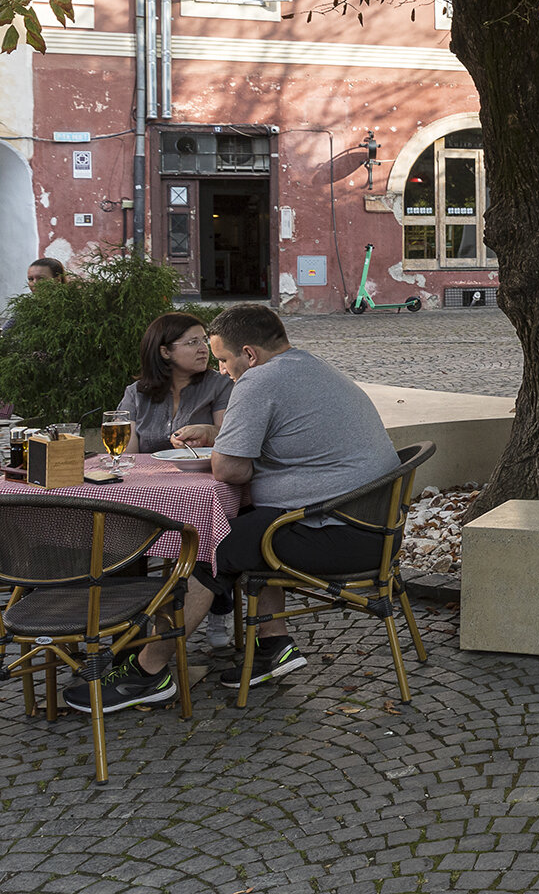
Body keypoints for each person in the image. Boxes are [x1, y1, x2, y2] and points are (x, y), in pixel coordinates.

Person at [66, 305, 400, 713]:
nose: (222, 370)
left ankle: (148, 672)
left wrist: (225, 445)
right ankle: (273, 643)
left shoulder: (259, 381)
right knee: (251, 525)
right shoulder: (312, 368)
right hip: (371, 526)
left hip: (337, 533)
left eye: (223, 359)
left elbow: (230, 469)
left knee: (210, 547)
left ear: (250, 354)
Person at [118, 313, 232, 453]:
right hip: (148, 473)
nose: (203, 349)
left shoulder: (220, 384)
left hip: (202, 473)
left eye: (204, 341)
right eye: (193, 342)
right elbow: (126, 456)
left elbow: (229, 439)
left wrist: (208, 432)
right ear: (165, 352)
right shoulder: (136, 393)